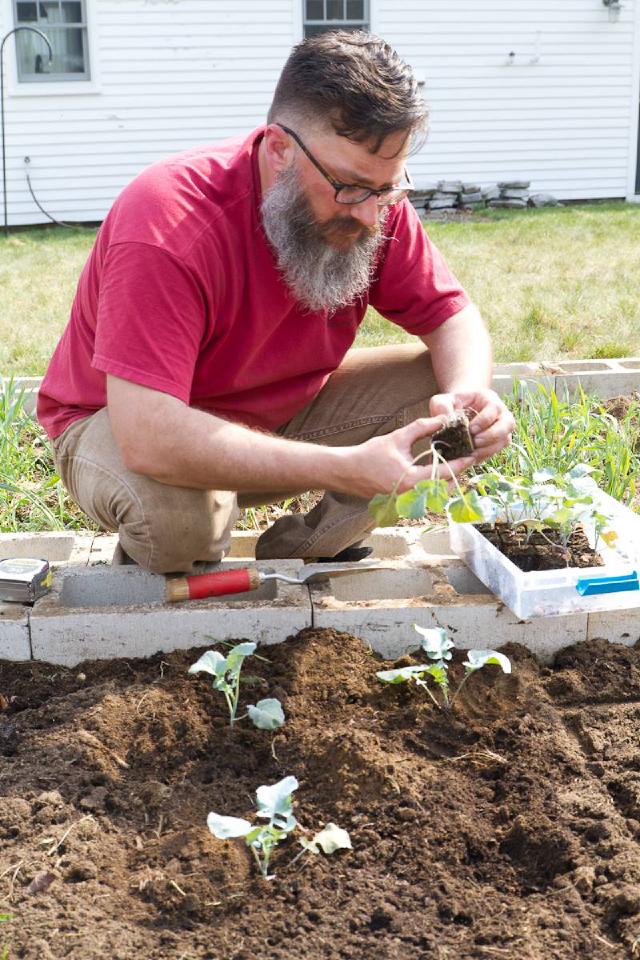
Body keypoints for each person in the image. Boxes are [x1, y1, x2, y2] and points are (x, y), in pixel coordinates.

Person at [37, 31, 515, 574]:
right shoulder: (167, 222)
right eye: (352, 186)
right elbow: (148, 437)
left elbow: (452, 318)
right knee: (176, 523)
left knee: (441, 395)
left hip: (277, 415)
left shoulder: (371, 201)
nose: (369, 213)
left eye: (387, 188)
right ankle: (187, 537)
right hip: (122, 422)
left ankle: (305, 553)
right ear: (280, 149)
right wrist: (343, 466)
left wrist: (468, 397)